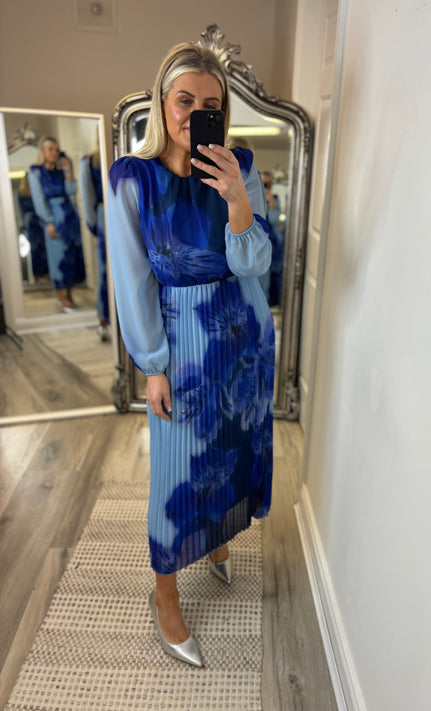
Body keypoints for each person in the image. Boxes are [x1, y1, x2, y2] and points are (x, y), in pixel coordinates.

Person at [106, 42, 275, 668]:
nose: (196, 113)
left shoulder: (240, 165)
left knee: (232, 452)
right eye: (185, 100)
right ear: (162, 102)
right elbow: (132, 280)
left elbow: (257, 264)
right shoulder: (133, 178)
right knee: (177, 476)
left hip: (243, 334)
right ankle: (166, 593)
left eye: (211, 104)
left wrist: (236, 198)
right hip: (183, 346)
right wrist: (152, 365)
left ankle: (217, 538)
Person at [28, 137, 86, 312]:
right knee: (57, 258)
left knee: (71, 255)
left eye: (56, 149)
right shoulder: (35, 172)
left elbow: (72, 191)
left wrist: (68, 172)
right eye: (50, 149)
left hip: (70, 217)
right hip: (54, 217)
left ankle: (69, 294)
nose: (54, 153)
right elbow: (38, 199)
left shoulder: (60, 170)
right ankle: (60, 296)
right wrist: (48, 221)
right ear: (43, 151)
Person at [80, 145, 110, 340]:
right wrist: (94, 230)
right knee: (104, 271)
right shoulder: (89, 162)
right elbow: (87, 197)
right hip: (103, 218)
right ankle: (103, 320)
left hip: (128, 213)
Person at [14, 173, 49, 282]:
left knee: (44, 249)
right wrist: (22, 225)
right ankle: (36, 276)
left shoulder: (38, 191)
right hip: (29, 223)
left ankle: (47, 275)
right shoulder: (20, 194)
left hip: (40, 221)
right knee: (34, 250)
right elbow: (19, 210)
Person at [261, 171, 284, 307]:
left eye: (267, 184)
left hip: (273, 243)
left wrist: (271, 204)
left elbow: (275, 220)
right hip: (259, 243)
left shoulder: (274, 199)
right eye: (263, 183)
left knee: (270, 281)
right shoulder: (252, 196)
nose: (265, 187)